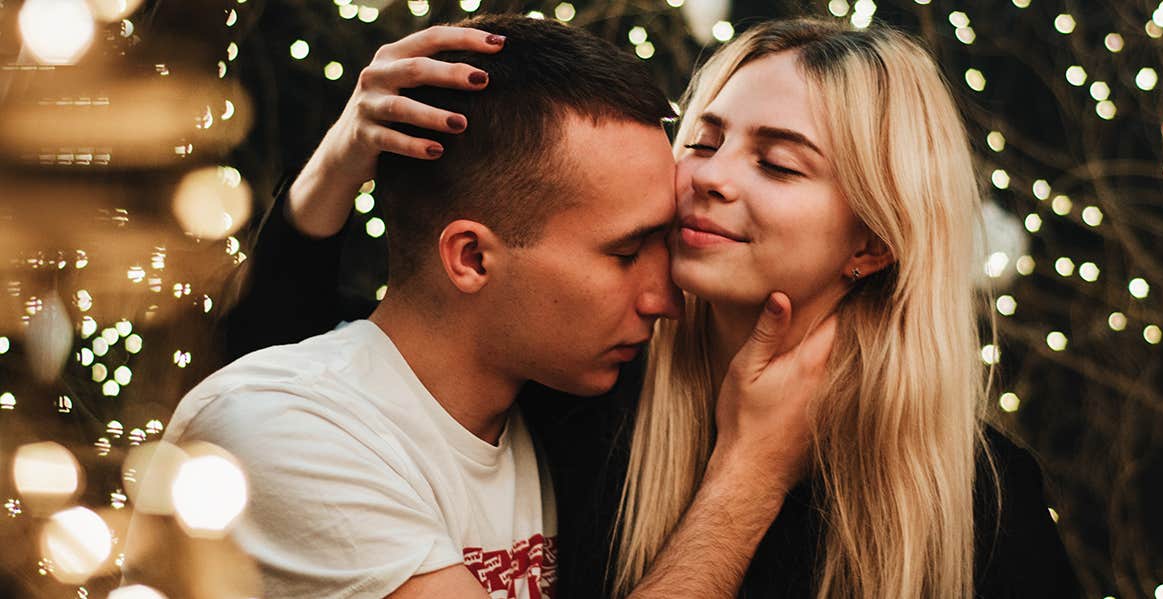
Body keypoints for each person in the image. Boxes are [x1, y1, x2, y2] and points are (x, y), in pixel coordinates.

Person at [227, 14, 1081, 599]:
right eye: (703, 139)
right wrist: (341, 157)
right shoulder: (589, 388)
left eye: (778, 164)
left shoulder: (979, 494)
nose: (710, 174)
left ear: (871, 243)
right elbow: (299, 385)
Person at [157, 15, 828, 599]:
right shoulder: (279, 428)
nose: (666, 299)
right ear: (472, 258)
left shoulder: (568, 407)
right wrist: (748, 477)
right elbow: (273, 343)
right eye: (626, 253)